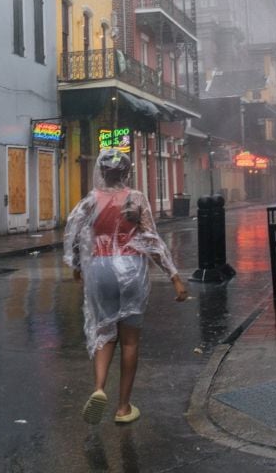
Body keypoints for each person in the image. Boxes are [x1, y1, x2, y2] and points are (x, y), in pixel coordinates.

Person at [63, 149, 189, 425]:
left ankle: (98, 388)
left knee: (105, 332)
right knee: (130, 340)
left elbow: (74, 236)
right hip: (130, 268)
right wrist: (174, 277)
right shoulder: (135, 199)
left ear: (101, 172)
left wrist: (76, 267)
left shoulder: (90, 201)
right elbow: (151, 241)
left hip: (100, 269)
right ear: (127, 172)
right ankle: (123, 407)